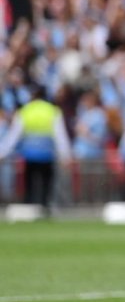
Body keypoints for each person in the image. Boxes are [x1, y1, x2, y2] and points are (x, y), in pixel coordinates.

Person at [0, 86, 72, 215]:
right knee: (46, 185)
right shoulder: (52, 111)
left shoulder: (25, 111)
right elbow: (60, 136)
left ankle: (29, 209)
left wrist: (2, 153)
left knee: (29, 185)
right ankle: (44, 210)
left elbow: (13, 135)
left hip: (30, 155)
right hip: (47, 155)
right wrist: (65, 155)